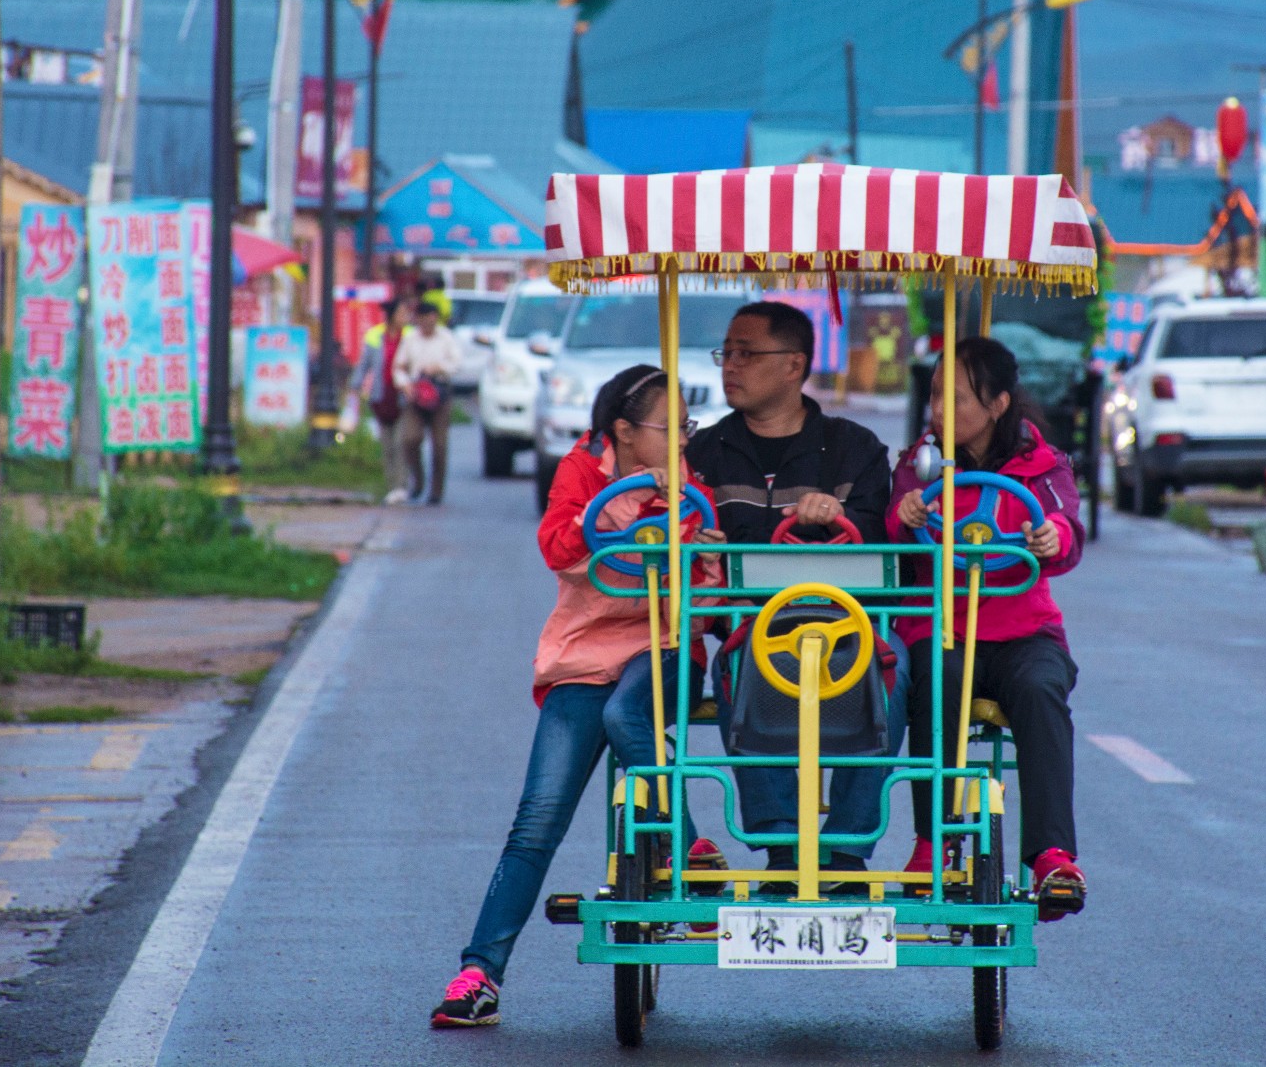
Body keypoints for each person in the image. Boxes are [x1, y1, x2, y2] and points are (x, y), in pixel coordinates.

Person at [432, 366, 728, 1028]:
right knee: (537, 818)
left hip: (666, 647)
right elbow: (563, 548)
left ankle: (687, 845)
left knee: (630, 714)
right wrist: (631, 501)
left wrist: (706, 554)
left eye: (688, 426)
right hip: (585, 654)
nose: (683, 439)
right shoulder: (581, 472)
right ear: (622, 431)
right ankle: (479, 973)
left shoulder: (693, 490)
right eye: (670, 427)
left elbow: (707, 596)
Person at [687, 301, 905, 887]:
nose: (730, 366)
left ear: (793, 365)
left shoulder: (855, 448)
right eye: (726, 352)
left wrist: (834, 516)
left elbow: (880, 537)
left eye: (746, 353)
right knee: (736, 665)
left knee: (897, 668)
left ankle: (849, 845)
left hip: (847, 623)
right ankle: (781, 844)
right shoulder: (701, 454)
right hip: (751, 624)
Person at [887, 335, 1087, 920]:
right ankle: (934, 840)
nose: (940, 411)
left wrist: (1053, 536)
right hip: (941, 626)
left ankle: (1053, 856)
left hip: (1023, 629)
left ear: (999, 404)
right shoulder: (917, 465)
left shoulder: (1042, 467)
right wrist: (906, 516)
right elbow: (894, 534)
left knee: (1041, 689)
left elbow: (1065, 527)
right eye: (935, 396)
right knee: (935, 679)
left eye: (957, 398)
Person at [391, 299, 459, 505]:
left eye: (432, 320)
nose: (428, 324)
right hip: (416, 394)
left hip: (440, 394)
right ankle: (418, 481)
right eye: (424, 320)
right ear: (418, 320)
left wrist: (437, 367)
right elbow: (399, 367)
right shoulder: (411, 339)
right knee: (410, 439)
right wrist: (405, 385)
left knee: (439, 445)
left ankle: (436, 491)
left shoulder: (446, 338)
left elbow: (456, 362)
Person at [360, 296, 412, 504]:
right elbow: (365, 365)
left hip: (404, 398)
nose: (405, 317)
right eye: (401, 313)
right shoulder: (375, 336)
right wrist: (355, 388)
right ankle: (392, 486)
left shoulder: (410, 335)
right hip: (381, 397)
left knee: (401, 443)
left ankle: (402, 485)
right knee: (387, 445)